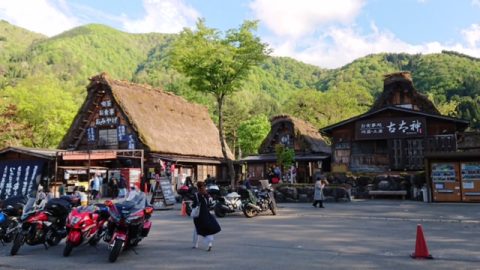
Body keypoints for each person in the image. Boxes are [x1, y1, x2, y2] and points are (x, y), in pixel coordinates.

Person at [192, 181, 221, 251]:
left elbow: (194, 205)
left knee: (197, 229)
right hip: (206, 214)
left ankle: (195, 244)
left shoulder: (196, 195)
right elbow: (208, 204)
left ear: (197, 187)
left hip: (198, 215)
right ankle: (209, 244)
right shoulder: (206, 194)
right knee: (208, 229)